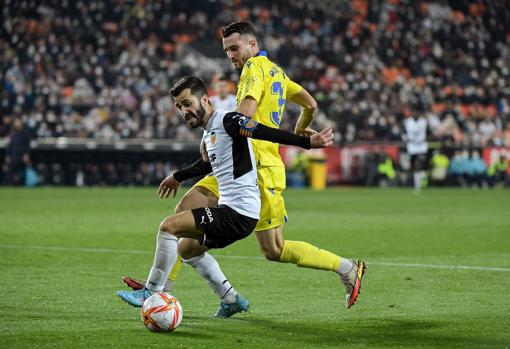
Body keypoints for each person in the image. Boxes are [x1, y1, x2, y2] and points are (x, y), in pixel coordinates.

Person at [122, 21, 366, 312]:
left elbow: (245, 117)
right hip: (240, 163)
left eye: (235, 48)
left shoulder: (254, 69)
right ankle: (166, 291)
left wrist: (219, 131)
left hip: (259, 169)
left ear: (253, 45)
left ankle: (347, 267)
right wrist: (302, 128)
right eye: (227, 51)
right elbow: (310, 104)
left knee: (273, 250)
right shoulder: (278, 72)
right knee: (185, 224)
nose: (231, 56)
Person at [403, 112, 428, 191]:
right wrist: (405, 138)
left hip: (421, 147)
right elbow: (403, 133)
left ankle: (418, 186)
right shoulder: (408, 122)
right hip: (412, 147)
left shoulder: (424, 121)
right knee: (413, 167)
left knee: (418, 165)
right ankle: (419, 182)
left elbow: (428, 132)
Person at [4, 119, 31, 186]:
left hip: (22, 155)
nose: (17, 125)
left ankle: (22, 184)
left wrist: (26, 154)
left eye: (18, 123)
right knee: (13, 171)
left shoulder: (25, 134)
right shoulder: (12, 134)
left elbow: (27, 145)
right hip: (14, 155)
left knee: (22, 171)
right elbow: (10, 146)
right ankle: (12, 184)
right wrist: (8, 155)